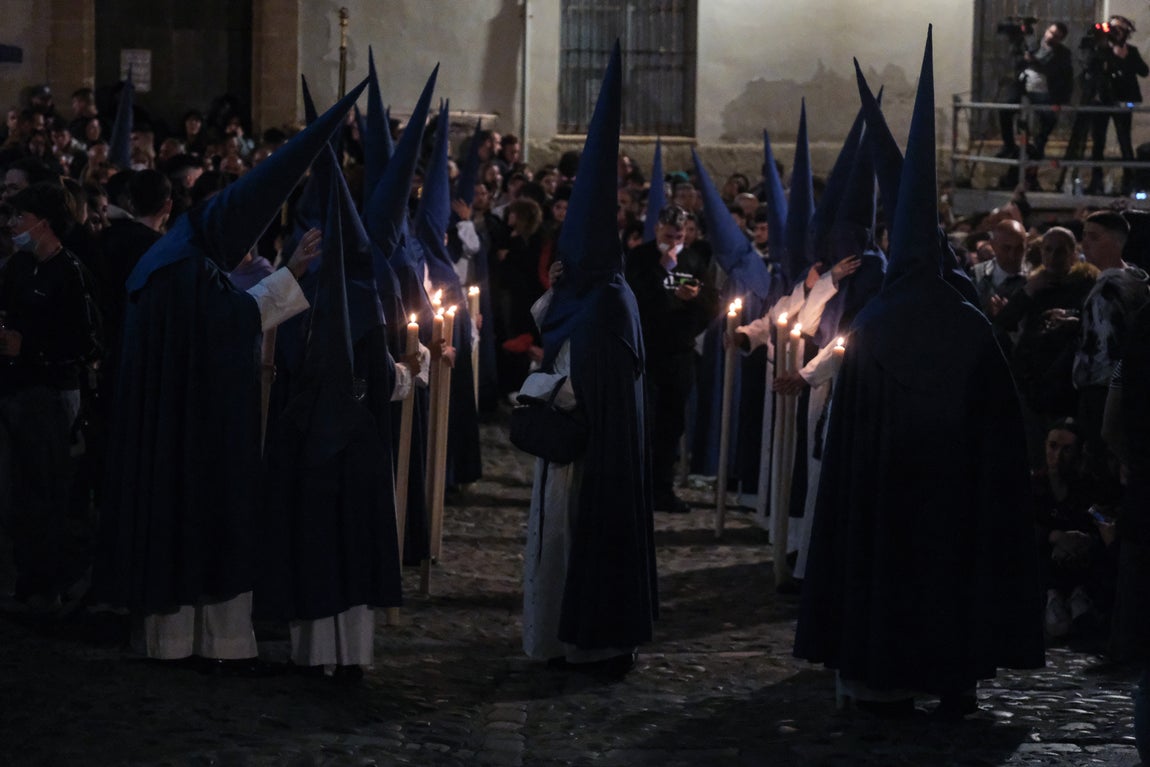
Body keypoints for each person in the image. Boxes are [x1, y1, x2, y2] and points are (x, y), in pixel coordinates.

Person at [795, 30, 1044, 718]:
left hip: (887, 486)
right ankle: (955, 674)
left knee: (893, 570)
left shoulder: (876, 323)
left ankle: (886, 671)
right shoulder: (968, 320)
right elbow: (1002, 424)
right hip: (955, 491)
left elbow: (845, 430)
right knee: (953, 570)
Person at [94, 82, 368, 669]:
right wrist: (292, 271)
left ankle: (172, 636)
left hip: (172, 416)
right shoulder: (190, 270)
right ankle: (206, 641)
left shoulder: (170, 256)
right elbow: (235, 319)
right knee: (206, 518)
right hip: (198, 427)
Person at [523, 43, 656, 675]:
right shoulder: (601, 293)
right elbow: (554, 327)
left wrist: (535, 390)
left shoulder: (606, 306)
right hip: (592, 450)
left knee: (572, 544)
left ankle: (584, 641)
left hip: (586, 455)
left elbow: (575, 380)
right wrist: (554, 289)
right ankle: (568, 637)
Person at [0, 182, 100, 610]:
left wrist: (33, 348)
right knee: (18, 489)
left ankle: (51, 581)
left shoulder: (70, 272)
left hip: (53, 397)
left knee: (49, 490)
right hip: (16, 392)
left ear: (42, 223)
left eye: (18, 218)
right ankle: (26, 574)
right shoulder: (17, 267)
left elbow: (85, 342)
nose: (10, 225)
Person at [625, 203, 719, 513]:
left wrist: (691, 306)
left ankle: (661, 489)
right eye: (669, 235)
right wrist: (663, 275)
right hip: (648, 352)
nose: (674, 242)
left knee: (671, 424)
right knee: (645, 422)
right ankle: (634, 488)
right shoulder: (640, 258)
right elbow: (633, 300)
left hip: (679, 353)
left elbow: (709, 304)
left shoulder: (693, 260)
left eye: (679, 236)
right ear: (656, 230)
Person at [1085, 16, 1149, 194]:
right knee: (1098, 142)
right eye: (1112, 28)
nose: (1115, 32)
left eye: (1119, 29)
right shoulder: (1100, 50)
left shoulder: (1131, 51)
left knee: (1124, 141)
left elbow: (1144, 71)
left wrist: (1126, 58)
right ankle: (1095, 180)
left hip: (1122, 102)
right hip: (1101, 101)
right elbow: (1090, 69)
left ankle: (1129, 181)